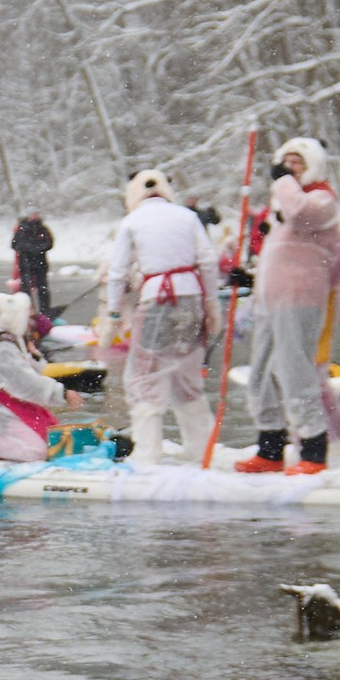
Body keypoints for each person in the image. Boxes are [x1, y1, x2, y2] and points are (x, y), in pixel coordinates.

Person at [235, 135, 340, 472]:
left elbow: (301, 213)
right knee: (260, 371)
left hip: (299, 296)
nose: (290, 168)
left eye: (297, 162)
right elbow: (278, 252)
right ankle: (270, 447)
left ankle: (314, 448)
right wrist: (249, 277)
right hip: (269, 298)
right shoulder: (279, 212)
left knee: (294, 368)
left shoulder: (321, 200)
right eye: (285, 162)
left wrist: (283, 179)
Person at [101, 169, 220, 465]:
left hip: (158, 299)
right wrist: (211, 306)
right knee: (187, 375)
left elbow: (116, 273)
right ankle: (200, 449)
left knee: (143, 377)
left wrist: (114, 315)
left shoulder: (132, 221)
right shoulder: (186, 216)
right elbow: (207, 260)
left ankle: (147, 453)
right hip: (191, 298)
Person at [0, 292, 65, 461]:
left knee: (53, 441)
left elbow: (30, 372)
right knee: (37, 452)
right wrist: (61, 393)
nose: (29, 323)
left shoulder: (15, 340)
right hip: (4, 408)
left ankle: (7, 441)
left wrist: (34, 356)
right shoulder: (3, 348)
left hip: (20, 402)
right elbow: (26, 382)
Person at [9, 208, 56, 331]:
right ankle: (27, 311)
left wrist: (38, 249)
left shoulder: (42, 229)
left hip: (41, 264)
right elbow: (15, 244)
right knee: (26, 289)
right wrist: (30, 249)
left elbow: (49, 243)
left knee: (43, 289)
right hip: (26, 265)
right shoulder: (22, 229)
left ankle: (45, 312)